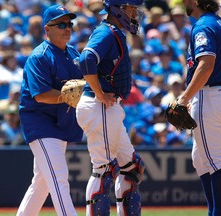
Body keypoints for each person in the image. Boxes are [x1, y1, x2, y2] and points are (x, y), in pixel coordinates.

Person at [76, 0, 145, 215]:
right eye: (131, 9)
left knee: (132, 168)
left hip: (107, 107)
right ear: (118, 9)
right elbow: (86, 59)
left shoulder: (114, 32)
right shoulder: (106, 32)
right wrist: (98, 92)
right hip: (99, 105)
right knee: (104, 172)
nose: (135, 14)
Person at [170, 0, 221, 215]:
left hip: (209, 95)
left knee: (214, 161)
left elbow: (206, 64)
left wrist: (184, 98)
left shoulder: (203, 24)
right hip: (220, 93)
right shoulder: (220, 22)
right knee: (200, 159)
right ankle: (213, 211)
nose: (184, 2)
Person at [16, 4, 83, 216]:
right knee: (58, 178)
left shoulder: (73, 53)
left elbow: (85, 86)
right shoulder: (39, 56)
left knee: (42, 182)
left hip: (60, 124)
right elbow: (41, 95)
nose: (67, 28)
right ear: (47, 29)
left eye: (69, 24)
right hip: (41, 124)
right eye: (61, 24)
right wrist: (67, 95)